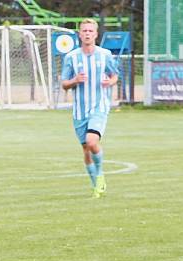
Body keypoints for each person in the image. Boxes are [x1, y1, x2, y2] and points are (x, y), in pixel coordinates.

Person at [60, 19, 119, 198]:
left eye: (90, 31)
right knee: (86, 149)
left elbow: (114, 74)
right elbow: (64, 84)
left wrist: (110, 81)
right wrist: (74, 80)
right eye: (84, 30)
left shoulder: (105, 54)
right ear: (79, 34)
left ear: (95, 34)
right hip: (79, 111)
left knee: (92, 142)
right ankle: (96, 186)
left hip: (99, 107)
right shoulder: (71, 57)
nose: (87, 33)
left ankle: (100, 174)